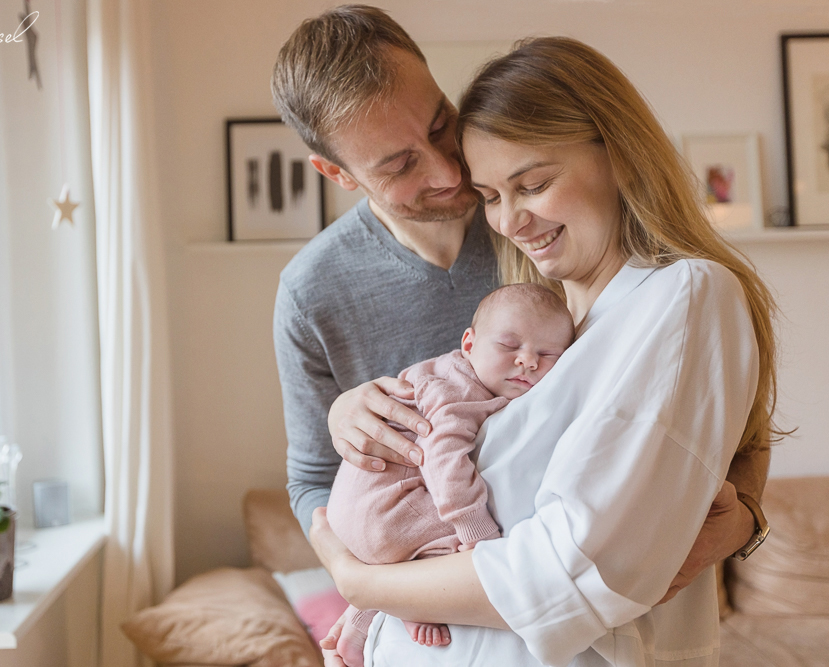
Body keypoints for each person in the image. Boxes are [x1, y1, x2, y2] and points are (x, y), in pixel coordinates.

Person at [310, 35, 783, 667]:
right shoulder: (540, 316)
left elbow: (565, 571)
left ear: (619, 153)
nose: (506, 222)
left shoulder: (680, 295)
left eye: (533, 184)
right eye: (492, 196)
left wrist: (360, 582)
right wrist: (349, 410)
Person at [328, 283, 575, 666]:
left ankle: (360, 622)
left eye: (547, 354)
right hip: (383, 513)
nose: (527, 361)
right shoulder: (456, 390)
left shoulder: (455, 374)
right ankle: (410, 607)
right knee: (457, 556)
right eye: (509, 347)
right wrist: (476, 531)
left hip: (358, 517)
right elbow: (442, 459)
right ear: (469, 343)